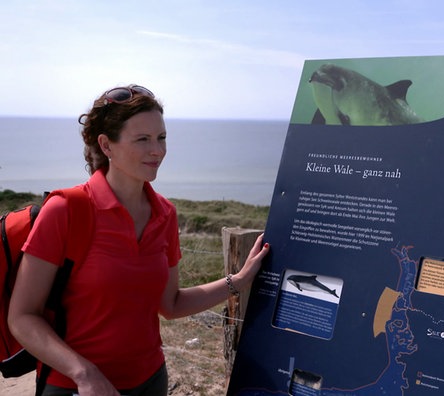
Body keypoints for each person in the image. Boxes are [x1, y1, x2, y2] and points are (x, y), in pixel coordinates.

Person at [8, 84, 270, 396]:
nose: (157, 150)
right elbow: (22, 317)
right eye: (142, 139)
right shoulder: (67, 209)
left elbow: (170, 304)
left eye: (161, 138)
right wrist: (85, 373)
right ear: (106, 145)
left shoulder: (165, 213)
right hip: (78, 387)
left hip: (150, 381)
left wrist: (238, 280)